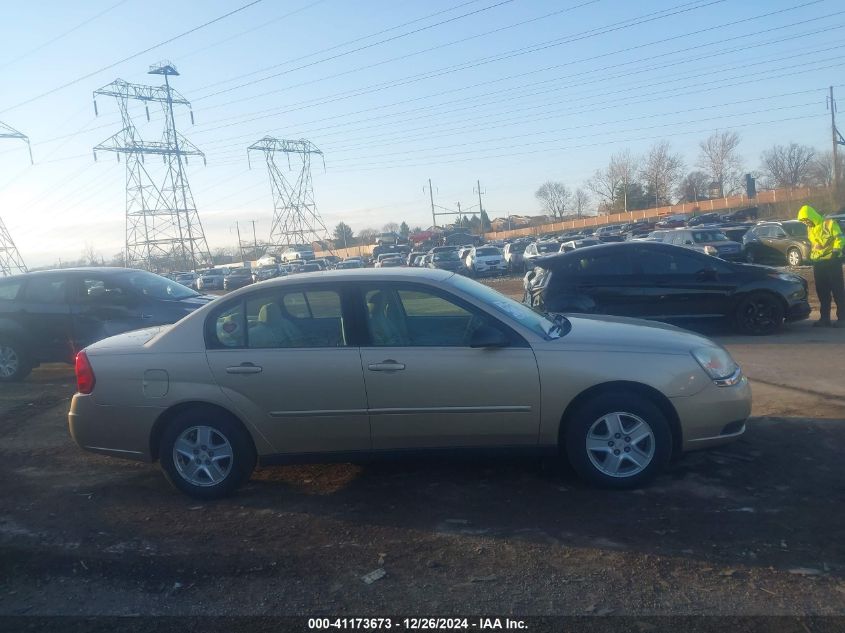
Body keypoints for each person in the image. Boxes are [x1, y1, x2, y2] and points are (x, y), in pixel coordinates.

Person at [797, 205, 844, 327]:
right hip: (819, 264)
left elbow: (840, 238)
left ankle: (843, 319)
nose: (806, 223)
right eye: (804, 221)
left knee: (838, 291)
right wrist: (811, 258)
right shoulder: (810, 228)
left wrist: (835, 251)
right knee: (822, 292)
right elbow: (815, 245)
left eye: (806, 220)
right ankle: (825, 319)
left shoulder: (829, 223)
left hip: (832, 262)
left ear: (812, 216)